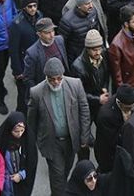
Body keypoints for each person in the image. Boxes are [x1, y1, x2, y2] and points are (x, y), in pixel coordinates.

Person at [27, 57, 92, 196]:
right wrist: (35, 142)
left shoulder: (75, 85)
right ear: (46, 77)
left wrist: (84, 136)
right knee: (58, 175)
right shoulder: (36, 92)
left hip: (71, 139)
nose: (56, 82)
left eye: (59, 78)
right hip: (52, 142)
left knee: (65, 171)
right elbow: (31, 120)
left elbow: (84, 109)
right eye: (52, 79)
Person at [0, 112, 36, 196]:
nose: (19, 134)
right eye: (16, 131)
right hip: (4, 183)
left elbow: (32, 163)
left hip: (20, 184)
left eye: (22, 130)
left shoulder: (28, 141)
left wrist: (21, 175)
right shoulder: (0, 140)